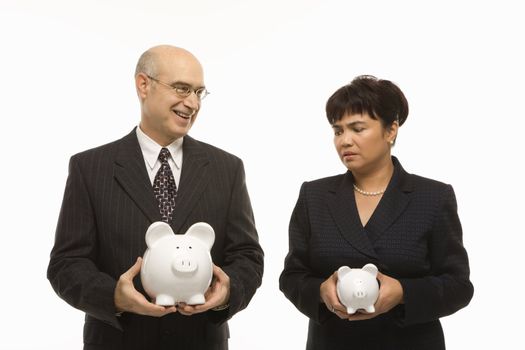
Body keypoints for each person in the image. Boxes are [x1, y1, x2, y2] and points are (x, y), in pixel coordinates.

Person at [47, 45, 264, 350]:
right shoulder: (90, 167)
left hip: (200, 341)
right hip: (118, 341)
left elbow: (248, 257)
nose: (192, 103)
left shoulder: (226, 169)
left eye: (199, 92)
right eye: (181, 88)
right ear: (143, 85)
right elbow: (66, 264)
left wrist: (227, 291)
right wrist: (114, 297)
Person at [279, 75, 473, 349]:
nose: (344, 141)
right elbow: (292, 276)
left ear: (391, 130)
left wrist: (404, 293)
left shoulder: (432, 197)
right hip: (333, 342)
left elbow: (458, 286)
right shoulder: (315, 195)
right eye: (338, 131)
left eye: (357, 128)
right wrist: (321, 292)